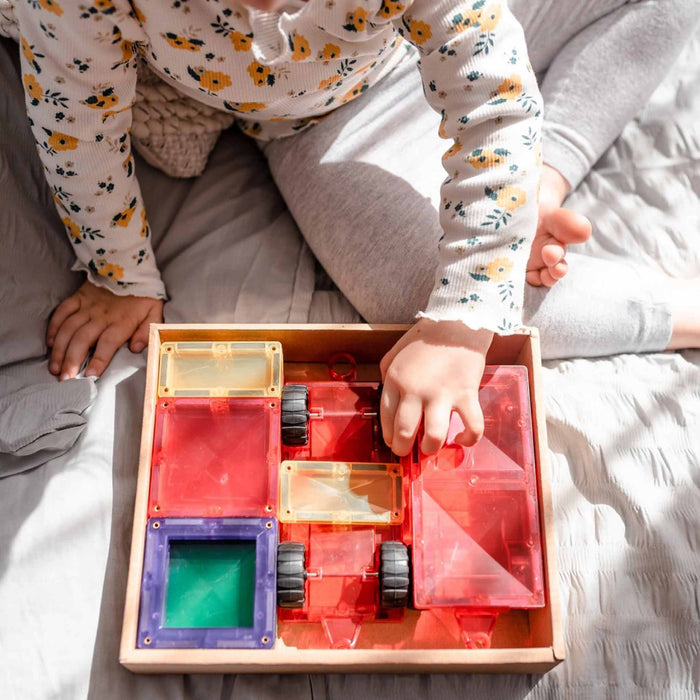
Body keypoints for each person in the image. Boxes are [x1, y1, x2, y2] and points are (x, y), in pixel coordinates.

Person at [4, 0, 698, 457]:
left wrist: (465, 319)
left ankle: (541, 180)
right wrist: (119, 271)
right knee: (411, 300)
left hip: (421, 44)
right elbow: (75, 120)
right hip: (318, 122)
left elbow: (496, 105)